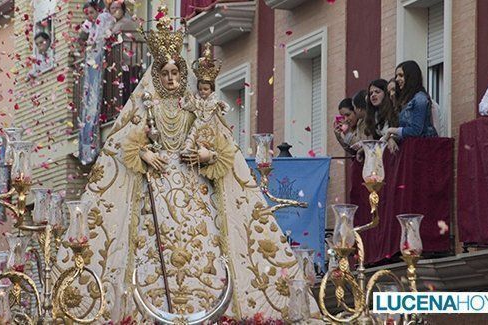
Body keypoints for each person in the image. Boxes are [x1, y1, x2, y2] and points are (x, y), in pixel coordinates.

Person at [58, 6, 320, 320]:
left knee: (204, 249)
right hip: (154, 190)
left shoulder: (195, 109)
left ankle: (206, 307)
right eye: (165, 73)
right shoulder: (147, 108)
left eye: (176, 73)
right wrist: (145, 154)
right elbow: (127, 143)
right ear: (157, 75)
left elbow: (222, 149)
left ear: (183, 75)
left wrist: (208, 155)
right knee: (149, 252)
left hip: (194, 190)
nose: (171, 79)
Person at [77, 0, 116, 165]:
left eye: (91, 12)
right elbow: (82, 36)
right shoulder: (90, 23)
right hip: (92, 59)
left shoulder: (105, 18)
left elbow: (102, 37)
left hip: (100, 58)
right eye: (87, 13)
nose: (89, 16)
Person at [180, 43, 231, 162]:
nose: (202, 92)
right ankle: (188, 147)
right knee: (193, 132)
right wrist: (187, 100)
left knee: (210, 138)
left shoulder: (214, 100)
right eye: (201, 89)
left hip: (211, 122)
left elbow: (223, 109)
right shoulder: (197, 99)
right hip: (199, 121)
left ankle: (206, 151)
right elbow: (189, 106)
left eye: (206, 89)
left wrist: (222, 106)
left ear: (211, 89)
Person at [384, 60, 438, 139]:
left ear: (411, 76)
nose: (397, 79)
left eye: (401, 75)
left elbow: (416, 131)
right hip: (412, 146)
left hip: (424, 147)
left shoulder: (420, 99)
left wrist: (391, 130)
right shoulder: (407, 100)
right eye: (396, 76)